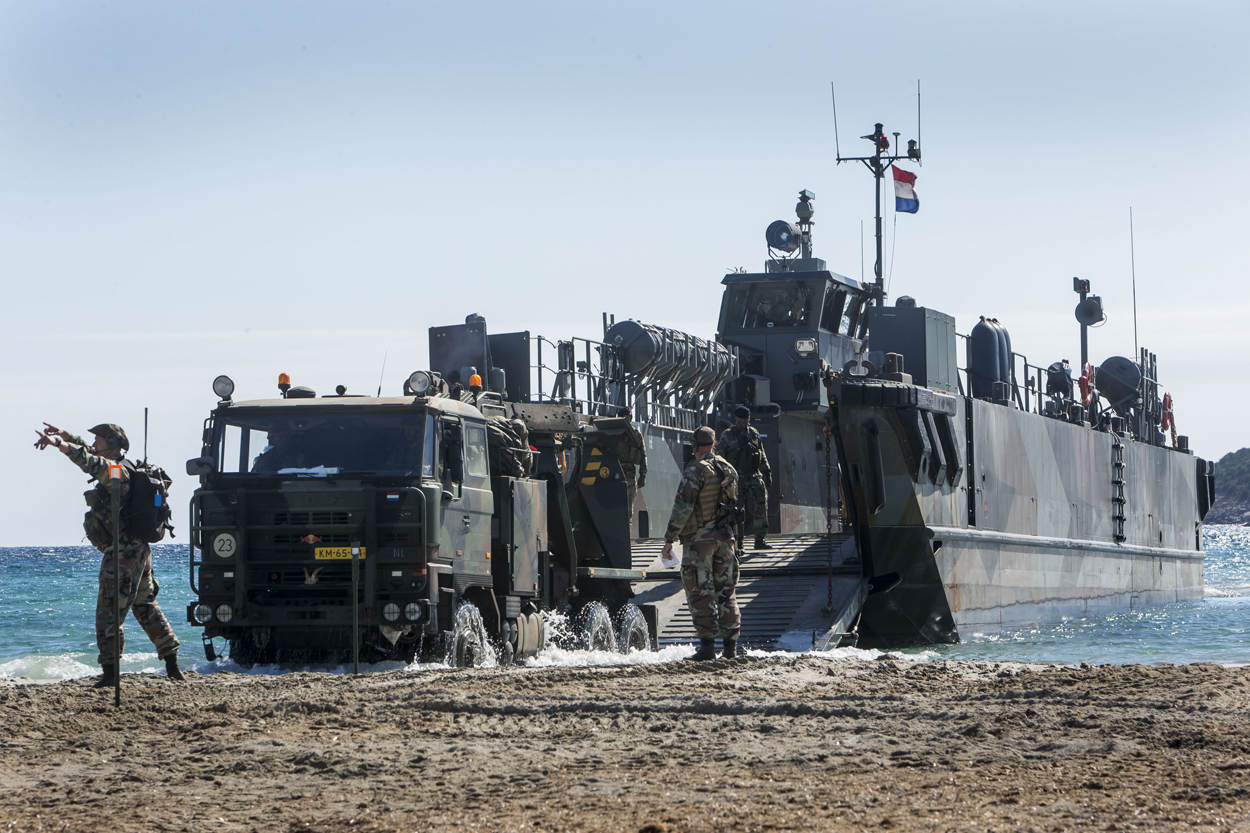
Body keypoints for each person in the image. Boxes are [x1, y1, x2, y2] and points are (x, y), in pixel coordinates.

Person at [34, 422, 184, 687]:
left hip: (124, 553)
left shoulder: (116, 472)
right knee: (145, 605)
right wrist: (67, 435)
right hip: (138, 550)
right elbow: (90, 452)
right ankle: (173, 665)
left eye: (99, 440)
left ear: (112, 445)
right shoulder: (126, 467)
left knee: (108, 612)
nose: (94, 443)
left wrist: (59, 444)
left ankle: (110, 674)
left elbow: (91, 462)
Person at [659, 426, 740, 660]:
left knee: (699, 591)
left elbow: (683, 507)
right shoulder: (728, 468)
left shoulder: (695, 470)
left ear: (695, 446)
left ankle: (707, 648)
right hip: (725, 538)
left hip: (701, 541)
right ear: (714, 444)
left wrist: (669, 539)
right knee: (726, 591)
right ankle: (730, 648)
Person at [716, 405, 773, 550]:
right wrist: (723, 477)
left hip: (754, 475)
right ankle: (738, 543)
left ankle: (760, 540)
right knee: (737, 510)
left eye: (746, 419)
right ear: (736, 419)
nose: (744, 422)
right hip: (737, 477)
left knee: (761, 504)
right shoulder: (727, 435)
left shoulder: (754, 433)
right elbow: (720, 457)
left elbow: (761, 453)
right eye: (742, 419)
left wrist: (767, 471)